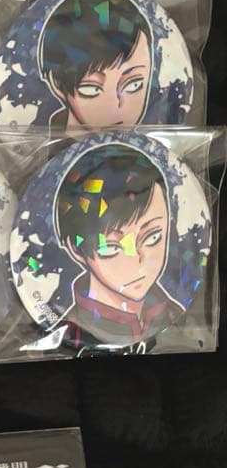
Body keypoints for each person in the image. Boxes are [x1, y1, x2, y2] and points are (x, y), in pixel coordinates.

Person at [54, 143, 181, 347]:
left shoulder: (173, 312)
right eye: (111, 248)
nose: (138, 260)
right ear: (76, 249)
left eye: (152, 237)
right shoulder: (72, 330)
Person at [40, 0, 152, 139]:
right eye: (91, 88)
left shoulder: (155, 137)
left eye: (134, 84)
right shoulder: (36, 145)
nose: (115, 107)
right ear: (56, 84)